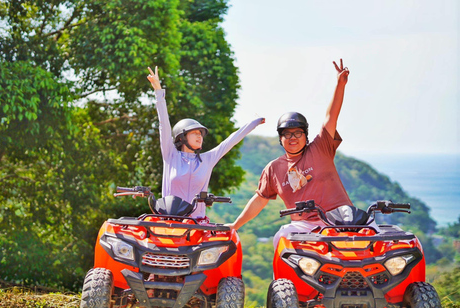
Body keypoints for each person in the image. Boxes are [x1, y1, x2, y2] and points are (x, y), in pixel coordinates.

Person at [226, 59, 353, 247]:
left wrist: (340, 85)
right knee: (282, 238)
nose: (292, 137)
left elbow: (330, 117)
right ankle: (283, 279)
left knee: (376, 239)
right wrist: (236, 225)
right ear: (280, 139)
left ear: (306, 135)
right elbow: (260, 200)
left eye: (298, 133)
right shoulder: (274, 168)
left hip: (342, 219)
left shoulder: (321, 148)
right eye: (286, 134)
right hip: (304, 226)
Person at [147, 66, 264, 223]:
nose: (199, 136)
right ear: (181, 137)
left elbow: (230, 141)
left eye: (200, 134)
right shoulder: (170, 156)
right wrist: (159, 92)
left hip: (197, 224)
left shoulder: (208, 159)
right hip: (169, 220)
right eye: (194, 133)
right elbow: (164, 125)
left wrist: (253, 123)